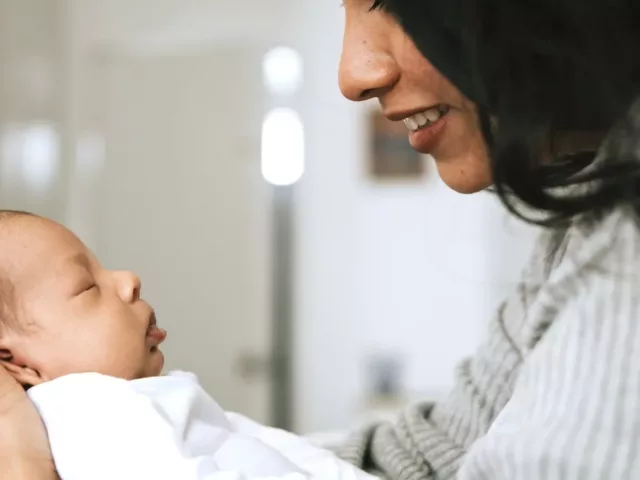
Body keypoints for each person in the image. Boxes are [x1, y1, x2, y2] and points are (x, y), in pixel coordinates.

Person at [3, 0, 640, 478]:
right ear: (19, 364)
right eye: (85, 285)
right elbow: (431, 451)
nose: (351, 74)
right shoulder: (97, 420)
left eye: (388, 2)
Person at [0, 211, 375, 480]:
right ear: (18, 363)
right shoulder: (88, 413)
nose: (129, 280)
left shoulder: (138, 398)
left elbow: (280, 448)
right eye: (87, 287)